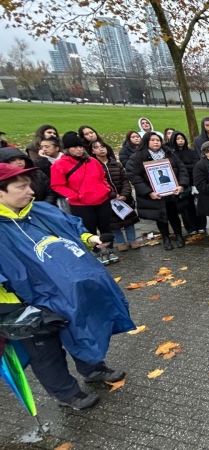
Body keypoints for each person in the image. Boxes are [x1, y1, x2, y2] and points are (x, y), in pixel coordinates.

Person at [0, 162, 133, 411]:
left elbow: (72, 228)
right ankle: (67, 393)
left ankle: (92, 368)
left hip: (64, 291)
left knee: (80, 326)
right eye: (22, 187)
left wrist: (91, 239)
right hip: (22, 303)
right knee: (46, 351)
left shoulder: (40, 211)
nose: (31, 191)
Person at [51, 132, 116, 265]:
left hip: (101, 199)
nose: (79, 149)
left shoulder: (92, 161)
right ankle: (96, 252)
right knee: (89, 229)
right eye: (74, 147)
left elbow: (102, 176)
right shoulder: (59, 165)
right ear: (67, 149)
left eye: (80, 146)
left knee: (106, 227)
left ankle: (109, 249)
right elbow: (57, 185)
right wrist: (75, 195)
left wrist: (106, 189)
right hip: (81, 204)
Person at [126, 132, 190, 251]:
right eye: (152, 140)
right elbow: (134, 176)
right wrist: (149, 192)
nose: (156, 142)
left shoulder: (170, 154)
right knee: (160, 217)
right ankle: (166, 237)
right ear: (146, 142)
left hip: (172, 192)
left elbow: (181, 169)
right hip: (155, 194)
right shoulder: (137, 157)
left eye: (158, 140)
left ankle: (179, 236)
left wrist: (181, 185)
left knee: (174, 215)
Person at [90, 139, 141, 252]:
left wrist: (125, 193)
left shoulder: (116, 164)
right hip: (107, 198)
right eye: (97, 147)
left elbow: (125, 179)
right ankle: (120, 241)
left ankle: (132, 239)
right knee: (113, 221)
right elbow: (97, 183)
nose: (101, 149)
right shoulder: (93, 166)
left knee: (128, 218)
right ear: (92, 151)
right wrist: (112, 195)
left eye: (102, 146)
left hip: (123, 197)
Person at [168, 131, 200, 235]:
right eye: (178, 139)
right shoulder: (171, 154)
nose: (180, 141)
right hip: (181, 183)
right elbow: (174, 169)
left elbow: (196, 165)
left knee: (196, 205)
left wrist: (182, 167)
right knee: (185, 207)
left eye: (182, 138)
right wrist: (185, 167)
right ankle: (190, 228)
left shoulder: (191, 152)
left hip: (193, 181)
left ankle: (200, 225)